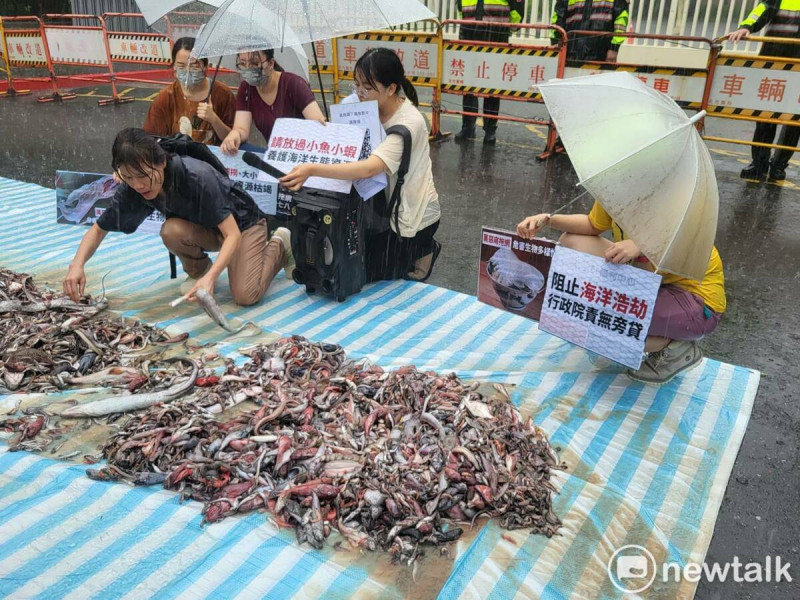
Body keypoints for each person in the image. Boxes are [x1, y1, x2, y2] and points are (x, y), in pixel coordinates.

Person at [63, 128, 294, 307]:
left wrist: (214, 278)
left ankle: (280, 245)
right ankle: (198, 273)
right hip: (207, 228)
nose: (139, 184)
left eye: (144, 175)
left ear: (161, 162)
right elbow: (98, 229)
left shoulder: (196, 176)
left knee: (245, 295)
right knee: (170, 230)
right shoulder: (132, 188)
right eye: (129, 177)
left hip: (243, 225)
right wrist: (76, 265)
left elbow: (232, 234)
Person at [279, 48, 441, 283]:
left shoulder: (409, 124)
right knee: (356, 267)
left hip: (411, 211)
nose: (360, 92)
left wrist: (312, 169)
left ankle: (424, 249)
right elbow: (341, 140)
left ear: (391, 88)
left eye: (367, 86)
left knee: (380, 276)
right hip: (379, 205)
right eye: (356, 84)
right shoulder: (356, 104)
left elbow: (369, 168)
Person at [517, 202, 726, 384]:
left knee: (612, 323)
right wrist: (546, 219)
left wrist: (642, 248)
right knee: (572, 240)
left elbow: (641, 288)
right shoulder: (619, 188)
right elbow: (592, 225)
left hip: (695, 301)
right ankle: (636, 335)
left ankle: (677, 347)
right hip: (653, 283)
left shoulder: (674, 205)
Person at [729, 1, 800, 181]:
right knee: (765, 113)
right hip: (773, 59)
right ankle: (759, 163)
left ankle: (779, 165)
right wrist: (747, 27)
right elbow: (763, 9)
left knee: (795, 118)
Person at [220, 49, 325, 155]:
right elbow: (241, 128)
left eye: (255, 63)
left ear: (271, 63)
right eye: (242, 64)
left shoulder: (294, 84)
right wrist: (235, 134)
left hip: (301, 154)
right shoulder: (246, 88)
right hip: (273, 154)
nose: (248, 69)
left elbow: (318, 125)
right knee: (238, 149)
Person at [454, 0, 524, 145]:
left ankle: (490, 129)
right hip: (470, 41)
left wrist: (502, 28)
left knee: (492, 88)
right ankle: (468, 125)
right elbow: (461, 12)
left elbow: (516, 17)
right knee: (468, 86)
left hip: (496, 41)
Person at [143, 37, 236, 145]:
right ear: (174, 67)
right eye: (181, 66)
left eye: (194, 65)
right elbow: (151, 140)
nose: (187, 71)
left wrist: (214, 119)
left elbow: (234, 140)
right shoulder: (166, 98)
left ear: (205, 66)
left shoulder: (223, 95)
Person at [551, 0, 629, 62]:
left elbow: (620, 22)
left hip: (601, 52)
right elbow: (558, 18)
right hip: (570, 51)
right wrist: (555, 42)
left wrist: (614, 48)